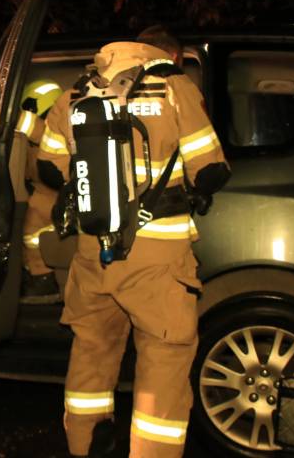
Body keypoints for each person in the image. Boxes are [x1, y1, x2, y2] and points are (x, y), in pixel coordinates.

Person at [37, 29, 230, 457]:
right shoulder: (175, 87)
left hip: (93, 254)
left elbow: (49, 168)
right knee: (163, 365)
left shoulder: (76, 92)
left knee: (91, 356)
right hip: (157, 259)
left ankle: (85, 448)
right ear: (171, 54)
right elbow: (210, 169)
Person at [16, 79, 64, 303]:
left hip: (60, 199)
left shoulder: (56, 131)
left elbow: (26, 124)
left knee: (32, 216)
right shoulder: (33, 137)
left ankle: (43, 279)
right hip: (44, 192)